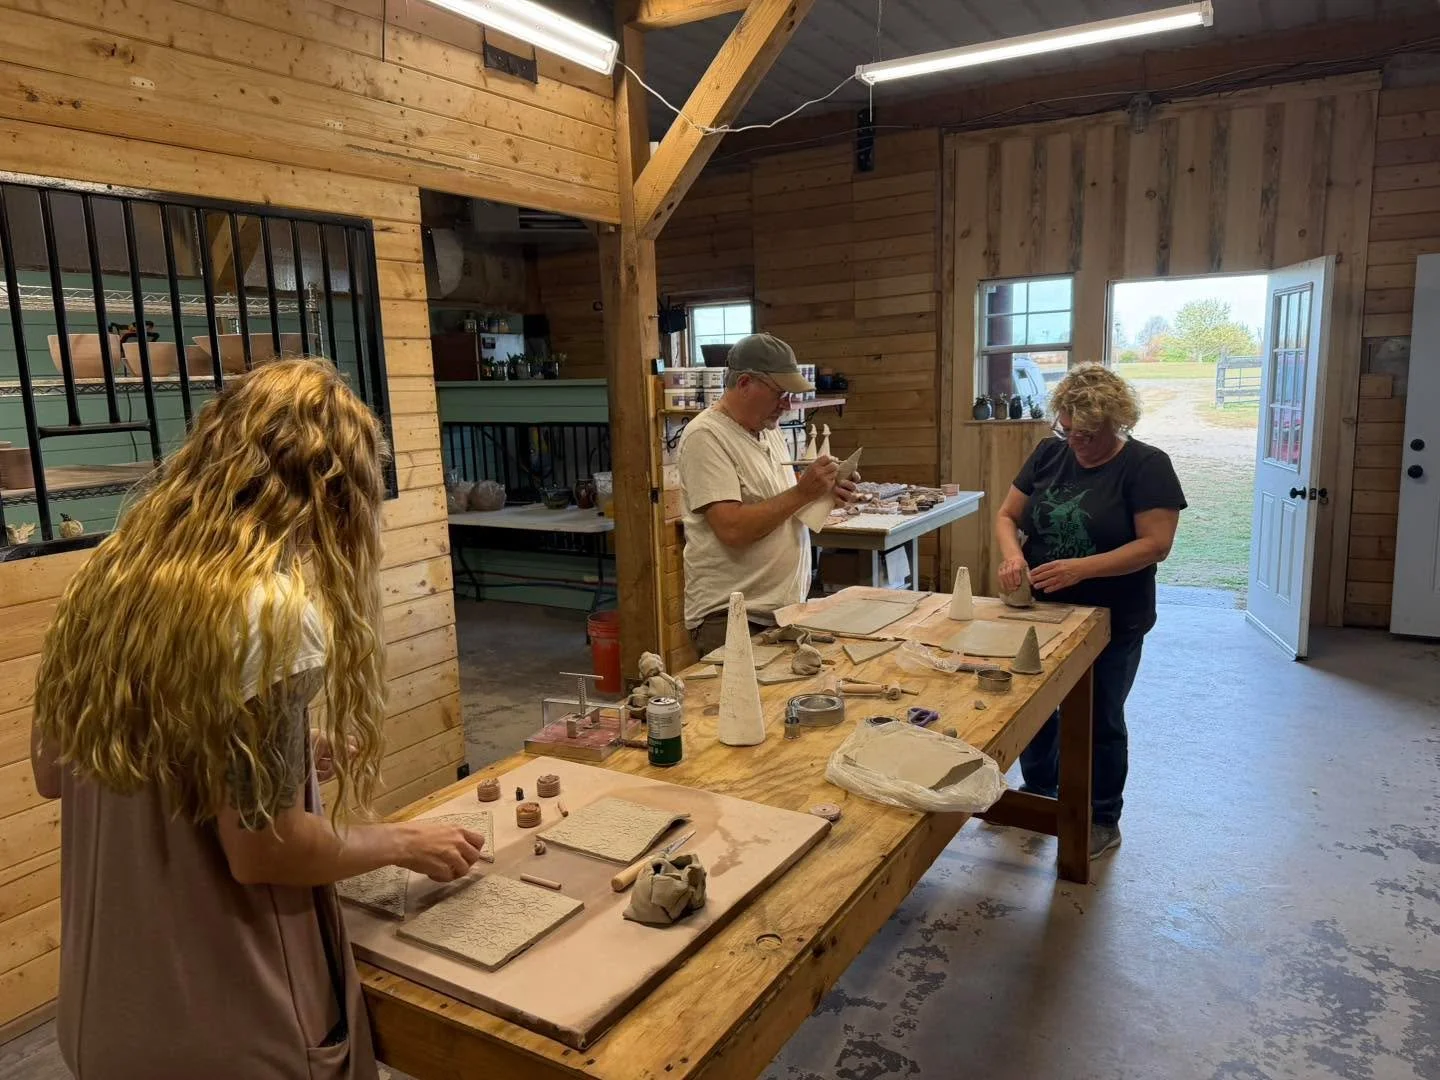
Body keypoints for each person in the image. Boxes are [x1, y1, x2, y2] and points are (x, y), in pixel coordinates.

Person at [30, 359, 487, 1080]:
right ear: (330, 492)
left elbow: (58, 771)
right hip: (228, 1026)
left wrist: (275, 753)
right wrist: (403, 841)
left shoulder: (107, 577)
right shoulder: (268, 611)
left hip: (107, 1014)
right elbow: (267, 851)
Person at [994, 363, 1186, 859]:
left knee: (1100, 715)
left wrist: (1083, 569)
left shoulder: (1147, 465)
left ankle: (1101, 815)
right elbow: (1007, 515)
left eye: (1089, 435)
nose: (1076, 443)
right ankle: (1040, 791)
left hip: (1112, 615)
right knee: (1034, 707)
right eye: (1069, 431)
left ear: (1117, 424)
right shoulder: (1049, 454)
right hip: (1040, 609)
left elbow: (1156, 545)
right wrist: (1013, 554)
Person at [678, 333, 857, 657]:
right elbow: (732, 528)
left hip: (782, 613)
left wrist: (824, 493)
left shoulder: (767, 430)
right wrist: (803, 492)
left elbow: (781, 506)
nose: (786, 404)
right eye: (780, 393)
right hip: (734, 619)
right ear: (745, 383)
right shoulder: (706, 437)